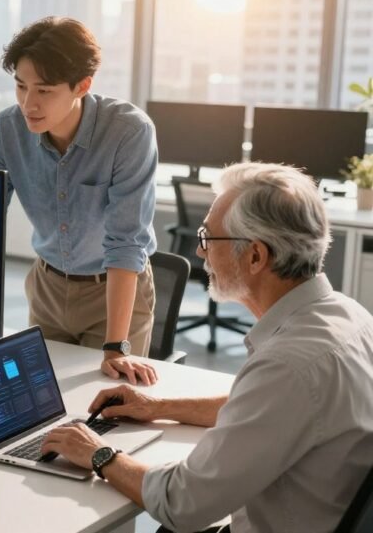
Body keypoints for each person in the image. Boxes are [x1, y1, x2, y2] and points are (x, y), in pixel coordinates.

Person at [41, 162, 373, 533]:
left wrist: (98, 453)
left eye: (207, 238)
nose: (200, 253)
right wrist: (157, 407)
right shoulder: (351, 317)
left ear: (255, 256)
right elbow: (264, 409)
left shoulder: (287, 365)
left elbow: (182, 503)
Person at [0, 16, 158, 385]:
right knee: (37, 398)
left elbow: (126, 243)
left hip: (112, 291)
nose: (28, 104)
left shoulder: (129, 132)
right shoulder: (6, 130)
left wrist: (116, 346)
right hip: (46, 287)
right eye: (21, 86)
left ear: (82, 85)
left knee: (106, 399)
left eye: (44, 91)